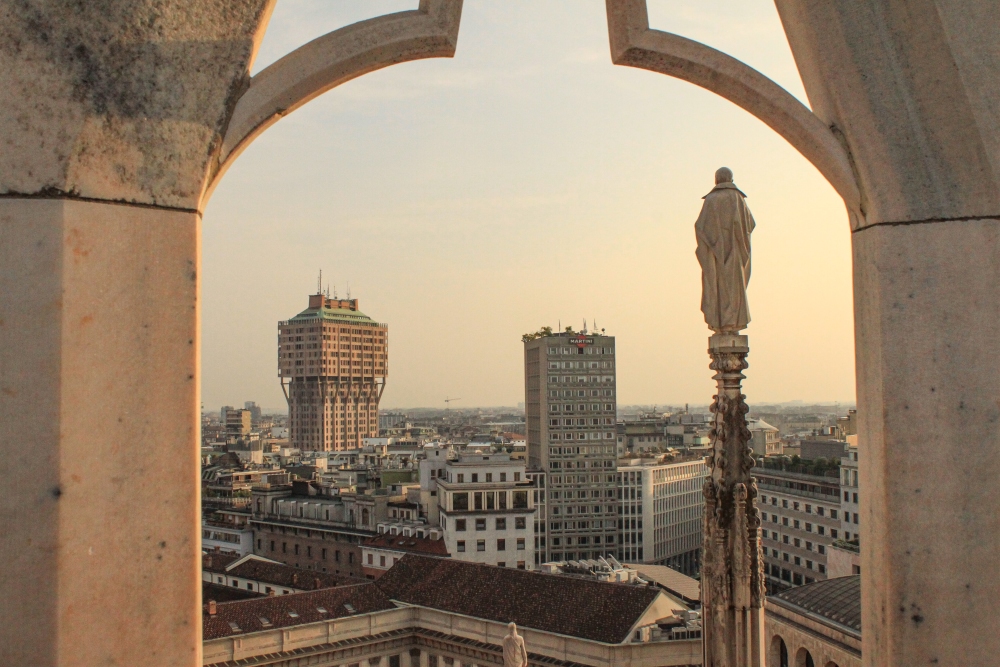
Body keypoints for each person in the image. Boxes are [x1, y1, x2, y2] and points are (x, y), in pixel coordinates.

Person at [694, 167, 756, 334]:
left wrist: (713, 242)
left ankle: (722, 324)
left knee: (717, 286)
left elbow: (700, 227)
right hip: (736, 253)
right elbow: (750, 223)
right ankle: (732, 324)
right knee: (734, 288)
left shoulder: (711, 199)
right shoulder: (738, 198)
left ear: (717, 179)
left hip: (715, 254)